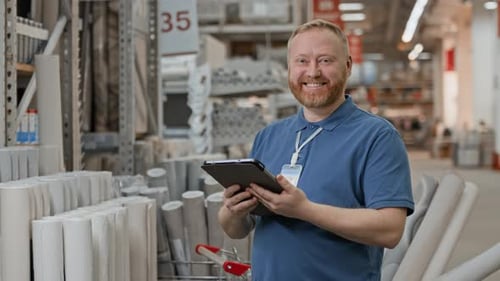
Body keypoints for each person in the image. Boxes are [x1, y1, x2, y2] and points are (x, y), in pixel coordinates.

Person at [218, 19, 414, 281]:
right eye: (301, 61)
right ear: (289, 68)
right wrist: (232, 212)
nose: (312, 72)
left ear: (347, 67)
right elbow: (237, 230)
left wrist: (305, 210)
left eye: (325, 60)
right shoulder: (269, 136)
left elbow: (390, 230)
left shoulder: (376, 137)